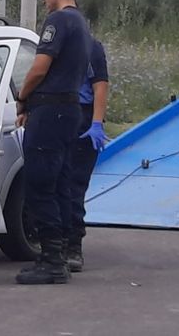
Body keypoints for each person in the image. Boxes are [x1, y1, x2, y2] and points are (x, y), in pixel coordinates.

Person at [14, 0, 93, 285]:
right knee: (60, 183)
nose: (44, 1)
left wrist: (23, 97)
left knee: (39, 185)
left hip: (51, 110)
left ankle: (51, 261)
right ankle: (58, 254)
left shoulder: (59, 21)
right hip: (69, 109)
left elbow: (39, 68)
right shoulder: (82, 24)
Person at [63, 38, 109, 272]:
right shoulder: (55, 45)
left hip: (83, 118)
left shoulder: (90, 47)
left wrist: (96, 123)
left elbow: (100, 85)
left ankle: (73, 246)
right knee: (56, 184)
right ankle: (55, 245)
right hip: (59, 114)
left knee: (74, 185)